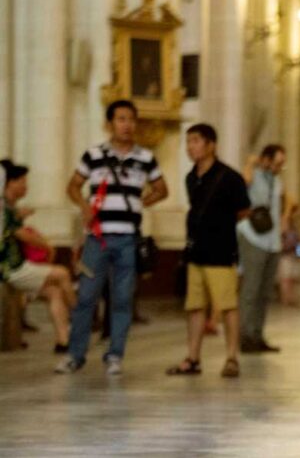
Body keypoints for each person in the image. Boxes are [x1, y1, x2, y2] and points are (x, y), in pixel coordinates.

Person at [58, 99, 169, 375]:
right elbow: (73, 186)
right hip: (97, 238)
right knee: (86, 297)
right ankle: (75, 355)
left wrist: (141, 202)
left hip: (128, 239)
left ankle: (115, 355)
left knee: (122, 299)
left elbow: (162, 188)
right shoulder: (94, 155)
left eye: (131, 119)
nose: (127, 125)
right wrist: (84, 206)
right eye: (120, 119)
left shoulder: (145, 157)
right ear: (109, 124)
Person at [166, 124, 250, 378]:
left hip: (221, 252)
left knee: (227, 306)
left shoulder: (229, 177)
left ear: (211, 145)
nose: (190, 147)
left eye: (196, 141)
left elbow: (244, 211)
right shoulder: (191, 177)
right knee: (194, 306)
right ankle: (193, 358)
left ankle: (232, 358)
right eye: (188, 141)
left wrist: (220, 226)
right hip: (196, 251)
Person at [0, 161, 76, 352]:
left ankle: (63, 341)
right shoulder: (4, 208)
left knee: (54, 292)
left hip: (16, 265)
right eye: (22, 181)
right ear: (9, 183)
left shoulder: (10, 208)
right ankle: (80, 317)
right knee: (62, 273)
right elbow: (21, 234)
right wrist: (48, 247)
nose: (26, 186)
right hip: (11, 268)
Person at [237, 144, 286, 353]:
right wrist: (251, 162)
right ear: (266, 159)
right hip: (253, 237)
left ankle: (257, 335)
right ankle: (245, 336)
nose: (279, 167)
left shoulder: (277, 181)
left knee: (265, 292)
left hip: (273, 241)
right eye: (277, 163)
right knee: (251, 289)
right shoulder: (254, 175)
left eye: (282, 164)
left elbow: (282, 204)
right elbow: (243, 182)